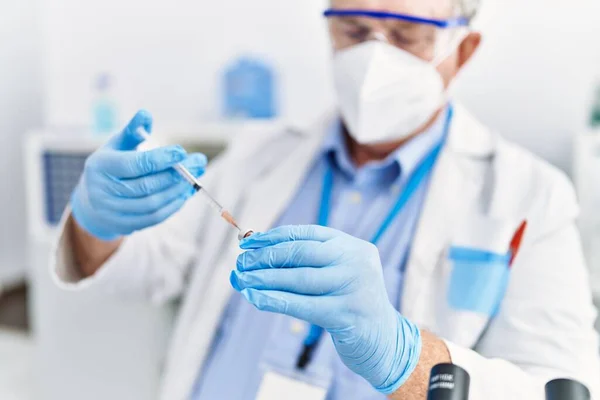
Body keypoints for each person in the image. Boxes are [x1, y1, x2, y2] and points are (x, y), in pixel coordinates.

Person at [52, 0, 600, 399]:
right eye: (354, 30)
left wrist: (408, 358)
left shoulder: (531, 197)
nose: (374, 58)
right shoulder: (261, 151)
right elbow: (149, 270)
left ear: (464, 49)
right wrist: (95, 222)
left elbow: (557, 388)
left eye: (408, 36)